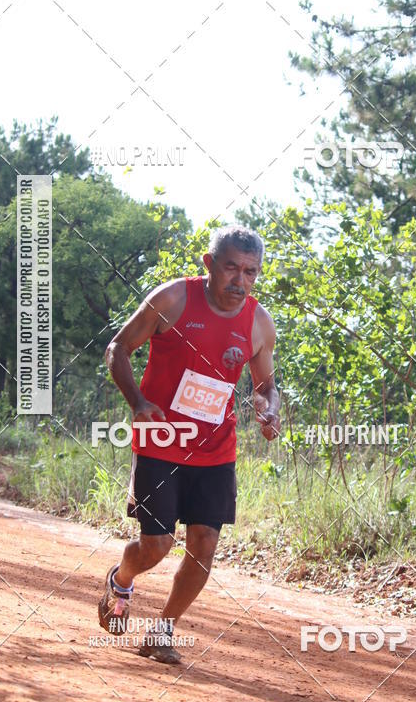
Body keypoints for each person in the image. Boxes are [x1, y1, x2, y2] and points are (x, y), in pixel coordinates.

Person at [98, 225, 280, 663]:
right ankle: (121, 580)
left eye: (251, 272)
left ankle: (162, 631)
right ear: (209, 264)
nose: (240, 280)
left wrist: (269, 409)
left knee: (204, 545)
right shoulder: (173, 299)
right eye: (231, 268)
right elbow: (118, 348)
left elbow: (266, 385)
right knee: (156, 546)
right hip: (160, 440)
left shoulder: (258, 322)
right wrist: (138, 403)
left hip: (216, 449)